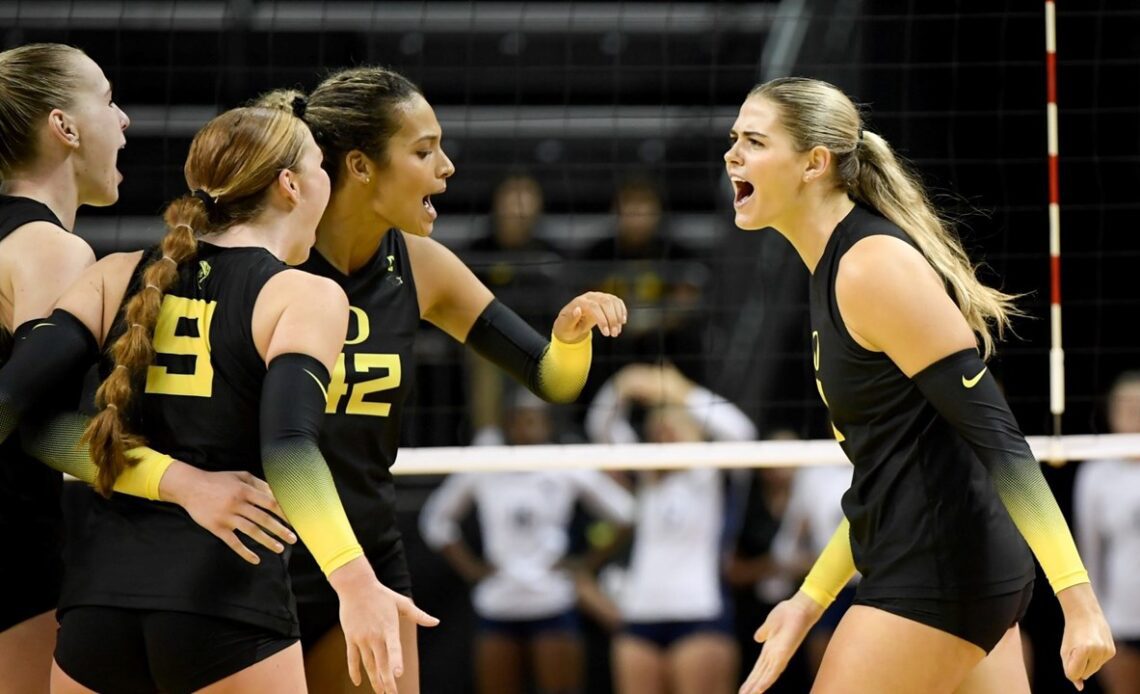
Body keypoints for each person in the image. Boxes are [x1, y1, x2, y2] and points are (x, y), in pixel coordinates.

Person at [3, 104, 435, 693]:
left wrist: (176, 481)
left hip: (96, 608)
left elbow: (33, 422)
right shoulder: (303, 294)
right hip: (226, 603)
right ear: (290, 185)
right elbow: (287, 449)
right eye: (319, 165)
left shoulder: (118, 272)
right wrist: (355, 581)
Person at [725, 76, 1114, 693]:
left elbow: (1001, 440)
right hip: (955, 566)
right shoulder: (834, 270)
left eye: (754, 140)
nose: (732, 155)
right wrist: (807, 601)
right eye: (733, 139)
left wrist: (1081, 603)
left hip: (940, 572)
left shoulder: (871, 266)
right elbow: (891, 475)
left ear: (814, 164)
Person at [256, 67, 627, 693]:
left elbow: (551, 380)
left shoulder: (419, 264)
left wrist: (570, 338)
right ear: (360, 166)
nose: (446, 167)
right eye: (424, 151)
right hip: (264, 557)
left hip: (370, 553)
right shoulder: (265, 263)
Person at [0, 43, 294, 693]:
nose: (125, 119)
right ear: (65, 128)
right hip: (18, 554)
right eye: (108, 99)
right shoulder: (50, 249)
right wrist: (186, 483)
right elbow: (35, 423)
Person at [420, 389, 636, 694]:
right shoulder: (486, 459)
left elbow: (625, 514)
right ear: (508, 424)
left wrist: (585, 564)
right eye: (520, 420)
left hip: (552, 599)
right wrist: (471, 569)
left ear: (548, 424)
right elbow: (436, 520)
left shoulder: (564, 462)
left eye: (535, 419)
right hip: (498, 601)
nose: (527, 427)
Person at [585, 362, 756, 694]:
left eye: (675, 426)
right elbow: (601, 428)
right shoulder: (647, 477)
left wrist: (682, 391)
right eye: (658, 428)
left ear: (694, 429)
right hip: (640, 615)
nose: (666, 434)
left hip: (699, 613)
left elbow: (742, 432)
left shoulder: (712, 473)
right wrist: (622, 385)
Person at [1074, 371, 1140, 693]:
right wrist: (1093, 618)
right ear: (1110, 410)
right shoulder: (1095, 472)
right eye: (1125, 404)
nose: (1132, 411)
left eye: (1139, 403)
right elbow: (1089, 551)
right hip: (1121, 620)